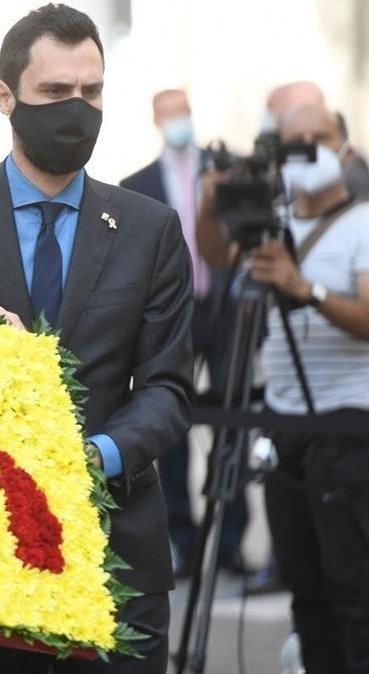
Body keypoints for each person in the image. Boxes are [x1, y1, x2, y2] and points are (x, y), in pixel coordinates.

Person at [0, 4, 192, 671]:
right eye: (54, 92)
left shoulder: (149, 227)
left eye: (91, 91)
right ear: (6, 96)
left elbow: (166, 389)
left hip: (116, 557)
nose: (76, 109)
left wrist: (91, 458)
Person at [197, 102, 369, 673]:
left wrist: (303, 287)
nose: (307, 148)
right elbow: (214, 254)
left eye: (319, 137)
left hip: (349, 426)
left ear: (345, 147)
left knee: (353, 585)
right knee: (306, 584)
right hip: (285, 419)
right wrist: (211, 196)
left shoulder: (364, 220)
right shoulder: (274, 219)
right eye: (293, 140)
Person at [120, 89, 247, 577]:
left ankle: (232, 539)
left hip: (226, 308)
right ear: (156, 121)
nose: (180, 123)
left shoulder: (225, 173)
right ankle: (184, 541)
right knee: (169, 420)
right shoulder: (140, 184)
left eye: (185, 114)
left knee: (232, 421)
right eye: (170, 116)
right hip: (174, 313)